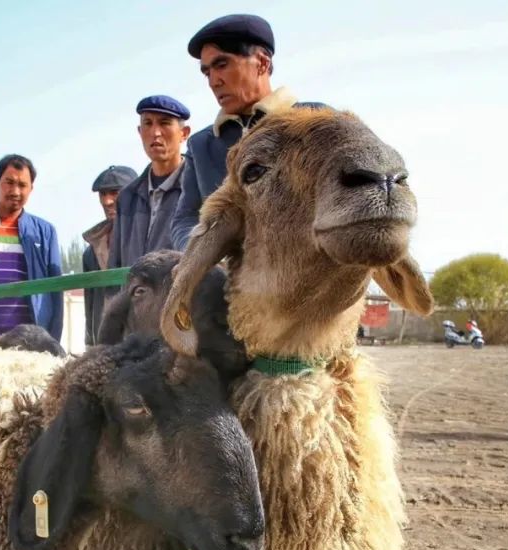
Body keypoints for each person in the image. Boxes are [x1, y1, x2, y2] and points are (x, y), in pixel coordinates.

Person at [171, 13, 327, 248]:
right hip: (232, 282)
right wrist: (202, 253)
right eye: (207, 72)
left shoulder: (315, 120)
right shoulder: (201, 145)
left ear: (262, 63)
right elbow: (185, 218)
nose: (213, 81)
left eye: (222, 65)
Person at [0, 154, 63, 341]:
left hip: (30, 341)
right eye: (9, 182)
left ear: (31, 189)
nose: (15, 191)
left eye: (22, 185)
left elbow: (56, 292)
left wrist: (53, 343)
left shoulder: (44, 232)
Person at [108, 95, 191, 270]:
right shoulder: (128, 197)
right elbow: (115, 266)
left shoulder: (196, 188)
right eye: (148, 124)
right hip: (137, 297)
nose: (155, 133)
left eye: (165, 123)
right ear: (139, 132)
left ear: (184, 133)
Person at [82, 165, 137, 346]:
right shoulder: (92, 251)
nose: (107, 201)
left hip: (141, 345)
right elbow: (90, 306)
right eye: (103, 194)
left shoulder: (149, 238)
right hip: (104, 347)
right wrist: (90, 346)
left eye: (114, 192)